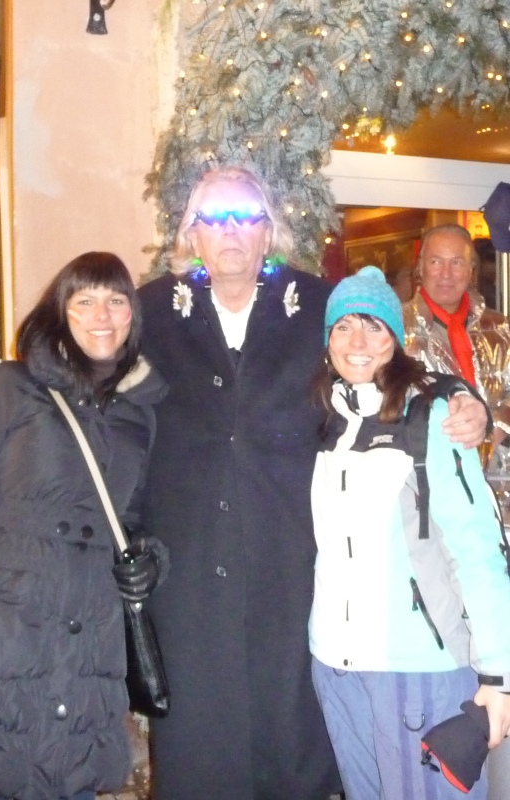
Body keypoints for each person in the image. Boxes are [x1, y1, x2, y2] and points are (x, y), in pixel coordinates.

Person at [137, 166, 488, 800]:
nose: (231, 231)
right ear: (191, 234)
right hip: (190, 581)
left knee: (293, 749)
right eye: (214, 218)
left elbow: (383, 355)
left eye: (247, 216)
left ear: (268, 230)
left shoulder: (313, 304)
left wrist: (461, 394)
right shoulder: (152, 311)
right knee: (200, 751)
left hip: (295, 574)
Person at [0, 251, 168, 800]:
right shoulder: (6, 390)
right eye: (85, 300)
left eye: (116, 300)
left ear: (133, 315)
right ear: (59, 311)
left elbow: (137, 521)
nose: (102, 315)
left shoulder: (139, 415)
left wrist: (150, 561)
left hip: (82, 663)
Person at [309, 266, 510, 800]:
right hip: (337, 668)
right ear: (327, 340)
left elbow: (478, 548)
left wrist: (499, 674)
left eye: (373, 326)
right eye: (343, 326)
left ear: (395, 340)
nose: (357, 342)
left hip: (419, 668)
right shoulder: (325, 422)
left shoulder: (432, 418)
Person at [404, 223, 510, 460]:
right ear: (420, 267)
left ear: (471, 270)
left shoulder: (500, 328)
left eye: (457, 263)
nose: (446, 274)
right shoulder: (395, 328)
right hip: (426, 468)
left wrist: (498, 427)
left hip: (497, 469)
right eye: (436, 262)